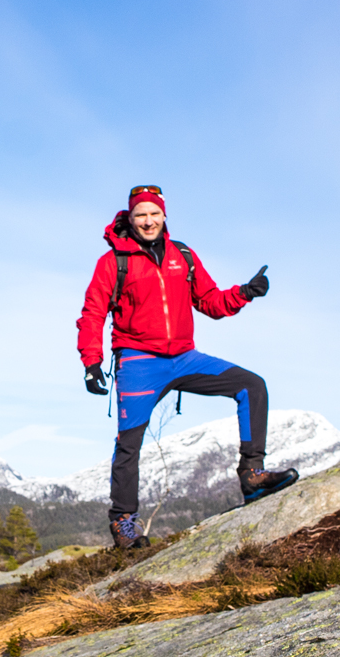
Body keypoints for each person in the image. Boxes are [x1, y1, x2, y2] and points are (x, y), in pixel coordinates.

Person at [76, 185, 298, 550]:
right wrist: (91, 362)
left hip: (183, 357)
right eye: (140, 215)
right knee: (129, 443)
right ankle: (123, 522)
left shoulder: (183, 255)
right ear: (130, 219)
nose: (148, 221)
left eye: (154, 214)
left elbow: (209, 301)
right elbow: (93, 313)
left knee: (252, 386)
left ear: (164, 216)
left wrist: (245, 292)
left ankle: (252, 475)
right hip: (138, 360)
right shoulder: (113, 261)